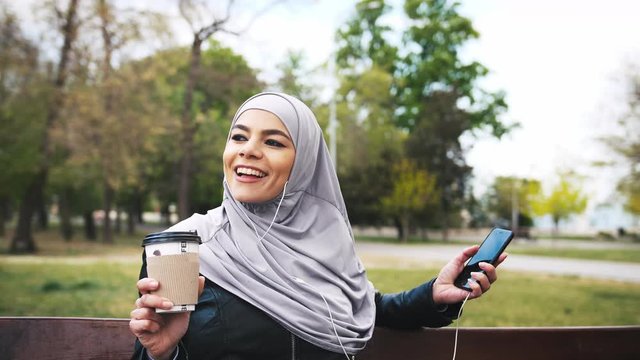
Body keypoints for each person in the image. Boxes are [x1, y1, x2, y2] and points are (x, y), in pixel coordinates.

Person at [129, 92, 507, 360]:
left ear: (305, 163)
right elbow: (153, 347)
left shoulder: (326, 238)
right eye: (239, 136)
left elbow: (361, 311)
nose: (247, 150)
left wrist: (433, 296)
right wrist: (163, 354)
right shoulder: (183, 246)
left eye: (273, 142)